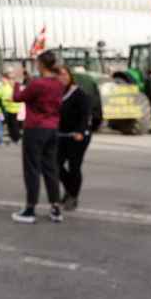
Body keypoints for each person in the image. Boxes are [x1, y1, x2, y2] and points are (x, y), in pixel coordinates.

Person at [11, 51, 65, 224]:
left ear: (41, 64)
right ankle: (55, 207)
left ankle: (30, 208)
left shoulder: (38, 84)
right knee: (50, 168)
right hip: (52, 128)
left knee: (32, 168)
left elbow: (18, 97)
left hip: (35, 128)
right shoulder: (58, 84)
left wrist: (18, 82)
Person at [56, 67, 91, 211]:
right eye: (58, 75)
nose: (61, 77)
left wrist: (80, 131)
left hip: (78, 136)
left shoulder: (79, 93)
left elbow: (85, 114)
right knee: (55, 165)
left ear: (70, 76)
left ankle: (73, 197)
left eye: (64, 74)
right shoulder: (56, 93)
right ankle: (70, 190)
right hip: (61, 135)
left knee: (74, 167)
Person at [0, 67, 22, 144]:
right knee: (10, 124)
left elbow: (12, 97)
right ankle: (13, 138)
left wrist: (6, 99)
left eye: (3, 79)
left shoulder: (11, 87)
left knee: (13, 125)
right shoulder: (6, 87)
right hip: (8, 108)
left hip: (12, 108)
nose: (2, 80)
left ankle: (17, 138)